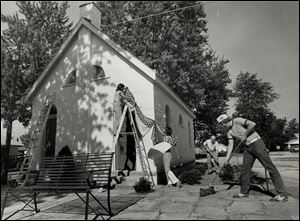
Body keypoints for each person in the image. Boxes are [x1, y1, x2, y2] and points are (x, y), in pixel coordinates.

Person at [216, 114, 288, 202]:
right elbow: (230, 145)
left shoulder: (237, 120)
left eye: (223, 123)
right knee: (245, 170)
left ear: (226, 120)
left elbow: (252, 124)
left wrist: (244, 135)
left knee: (270, 168)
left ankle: (282, 195)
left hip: (257, 144)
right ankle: (244, 192)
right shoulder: (229, 132)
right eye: (222, 124)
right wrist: (227, 159)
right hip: (247, 148)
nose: (223, 126)